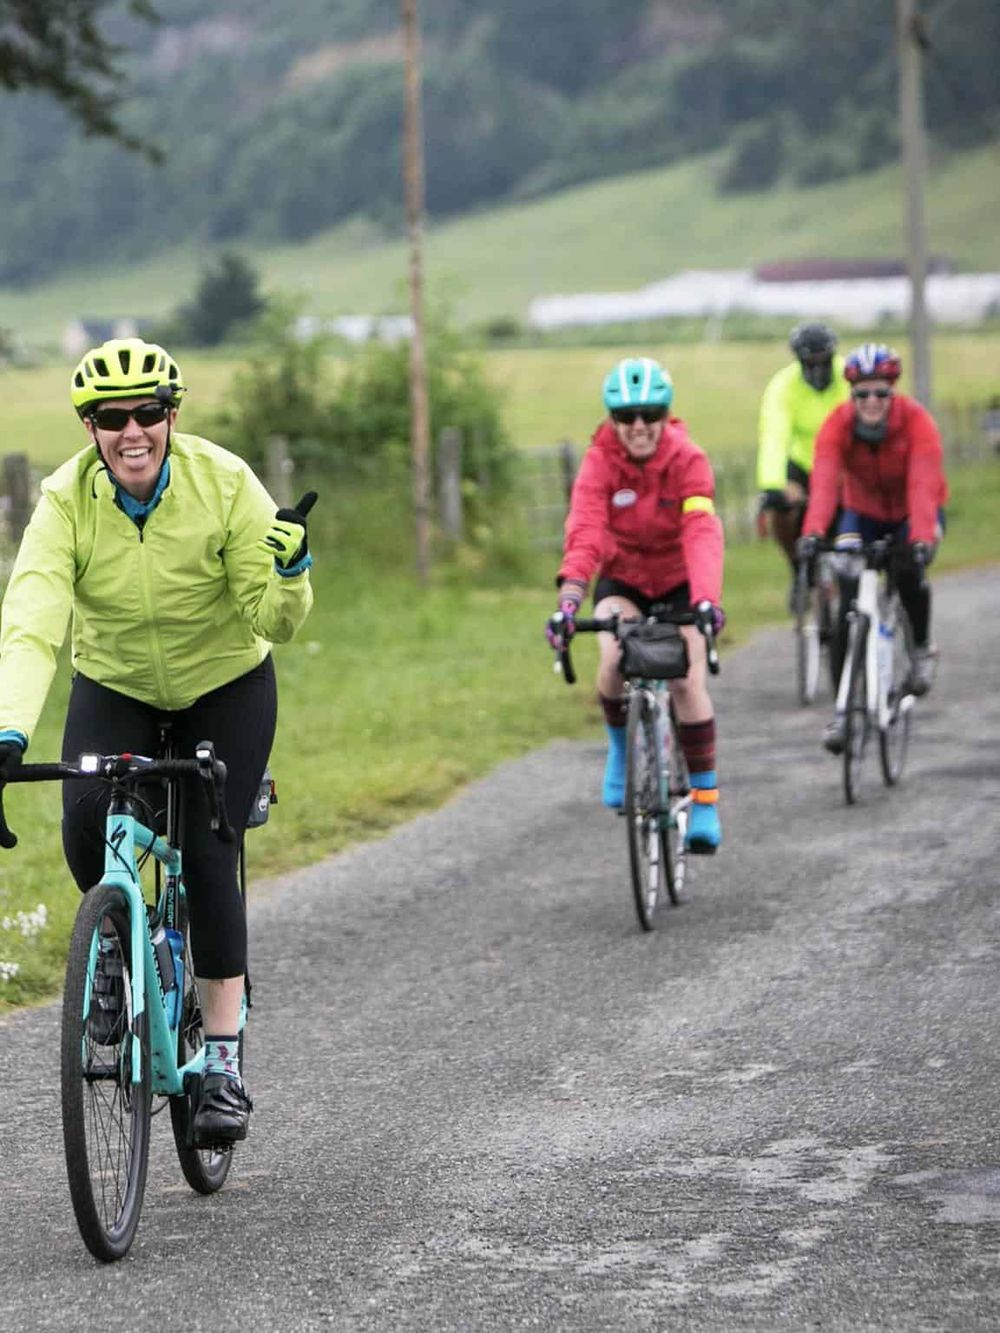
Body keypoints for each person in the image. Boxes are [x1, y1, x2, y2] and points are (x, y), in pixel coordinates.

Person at [0, 338, 315, 1144]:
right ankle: (113, 948)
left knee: (210, 851)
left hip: (227, 683)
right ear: (89, 427)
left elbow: (270, 619)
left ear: (173, 416)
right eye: (112, 417)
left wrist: (289, 576)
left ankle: (221, 1059)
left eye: (148, 412)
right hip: (117, 683)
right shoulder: (66, 500)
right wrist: (7, 730)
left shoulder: (224, 482)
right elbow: (32, 620)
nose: (131, 431)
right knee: (82, 822)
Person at [546, 356, 725, 853]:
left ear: (666, 415)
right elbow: (586, 530)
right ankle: (622, 751)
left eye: (650, 414)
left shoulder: (688, 459)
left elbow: (701, 530)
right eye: (626, 417)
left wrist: (707, 599)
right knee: (612, 662)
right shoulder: (599, 462)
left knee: (687, 679)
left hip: (680, 581)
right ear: (612, 420)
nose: (639, 426)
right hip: (623, 579)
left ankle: (705, 800)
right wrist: (569, 599)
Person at [797, 342, 948, 754]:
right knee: (848, 600)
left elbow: (922, 487)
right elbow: (825, 485)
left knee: (909, 573)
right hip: (860, 512)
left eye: (881, 392)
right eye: (862, 393)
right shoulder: (836, 425)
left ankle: (919, 649)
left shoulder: (918, 423)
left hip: (912, 513)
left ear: (893, 392)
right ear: (852, 395)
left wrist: (919, 539)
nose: (871, 402)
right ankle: (844, 711)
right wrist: (812, 533)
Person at [756, 322, 849, 602]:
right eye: (810, 364)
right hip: (802, 463)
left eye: (824, 363)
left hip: (842, 464)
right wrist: (774, 486)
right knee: (780, 513)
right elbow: (774, 434)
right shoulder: (783, 386)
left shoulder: (849, 377)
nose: (818, 371)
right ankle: (798, 569)